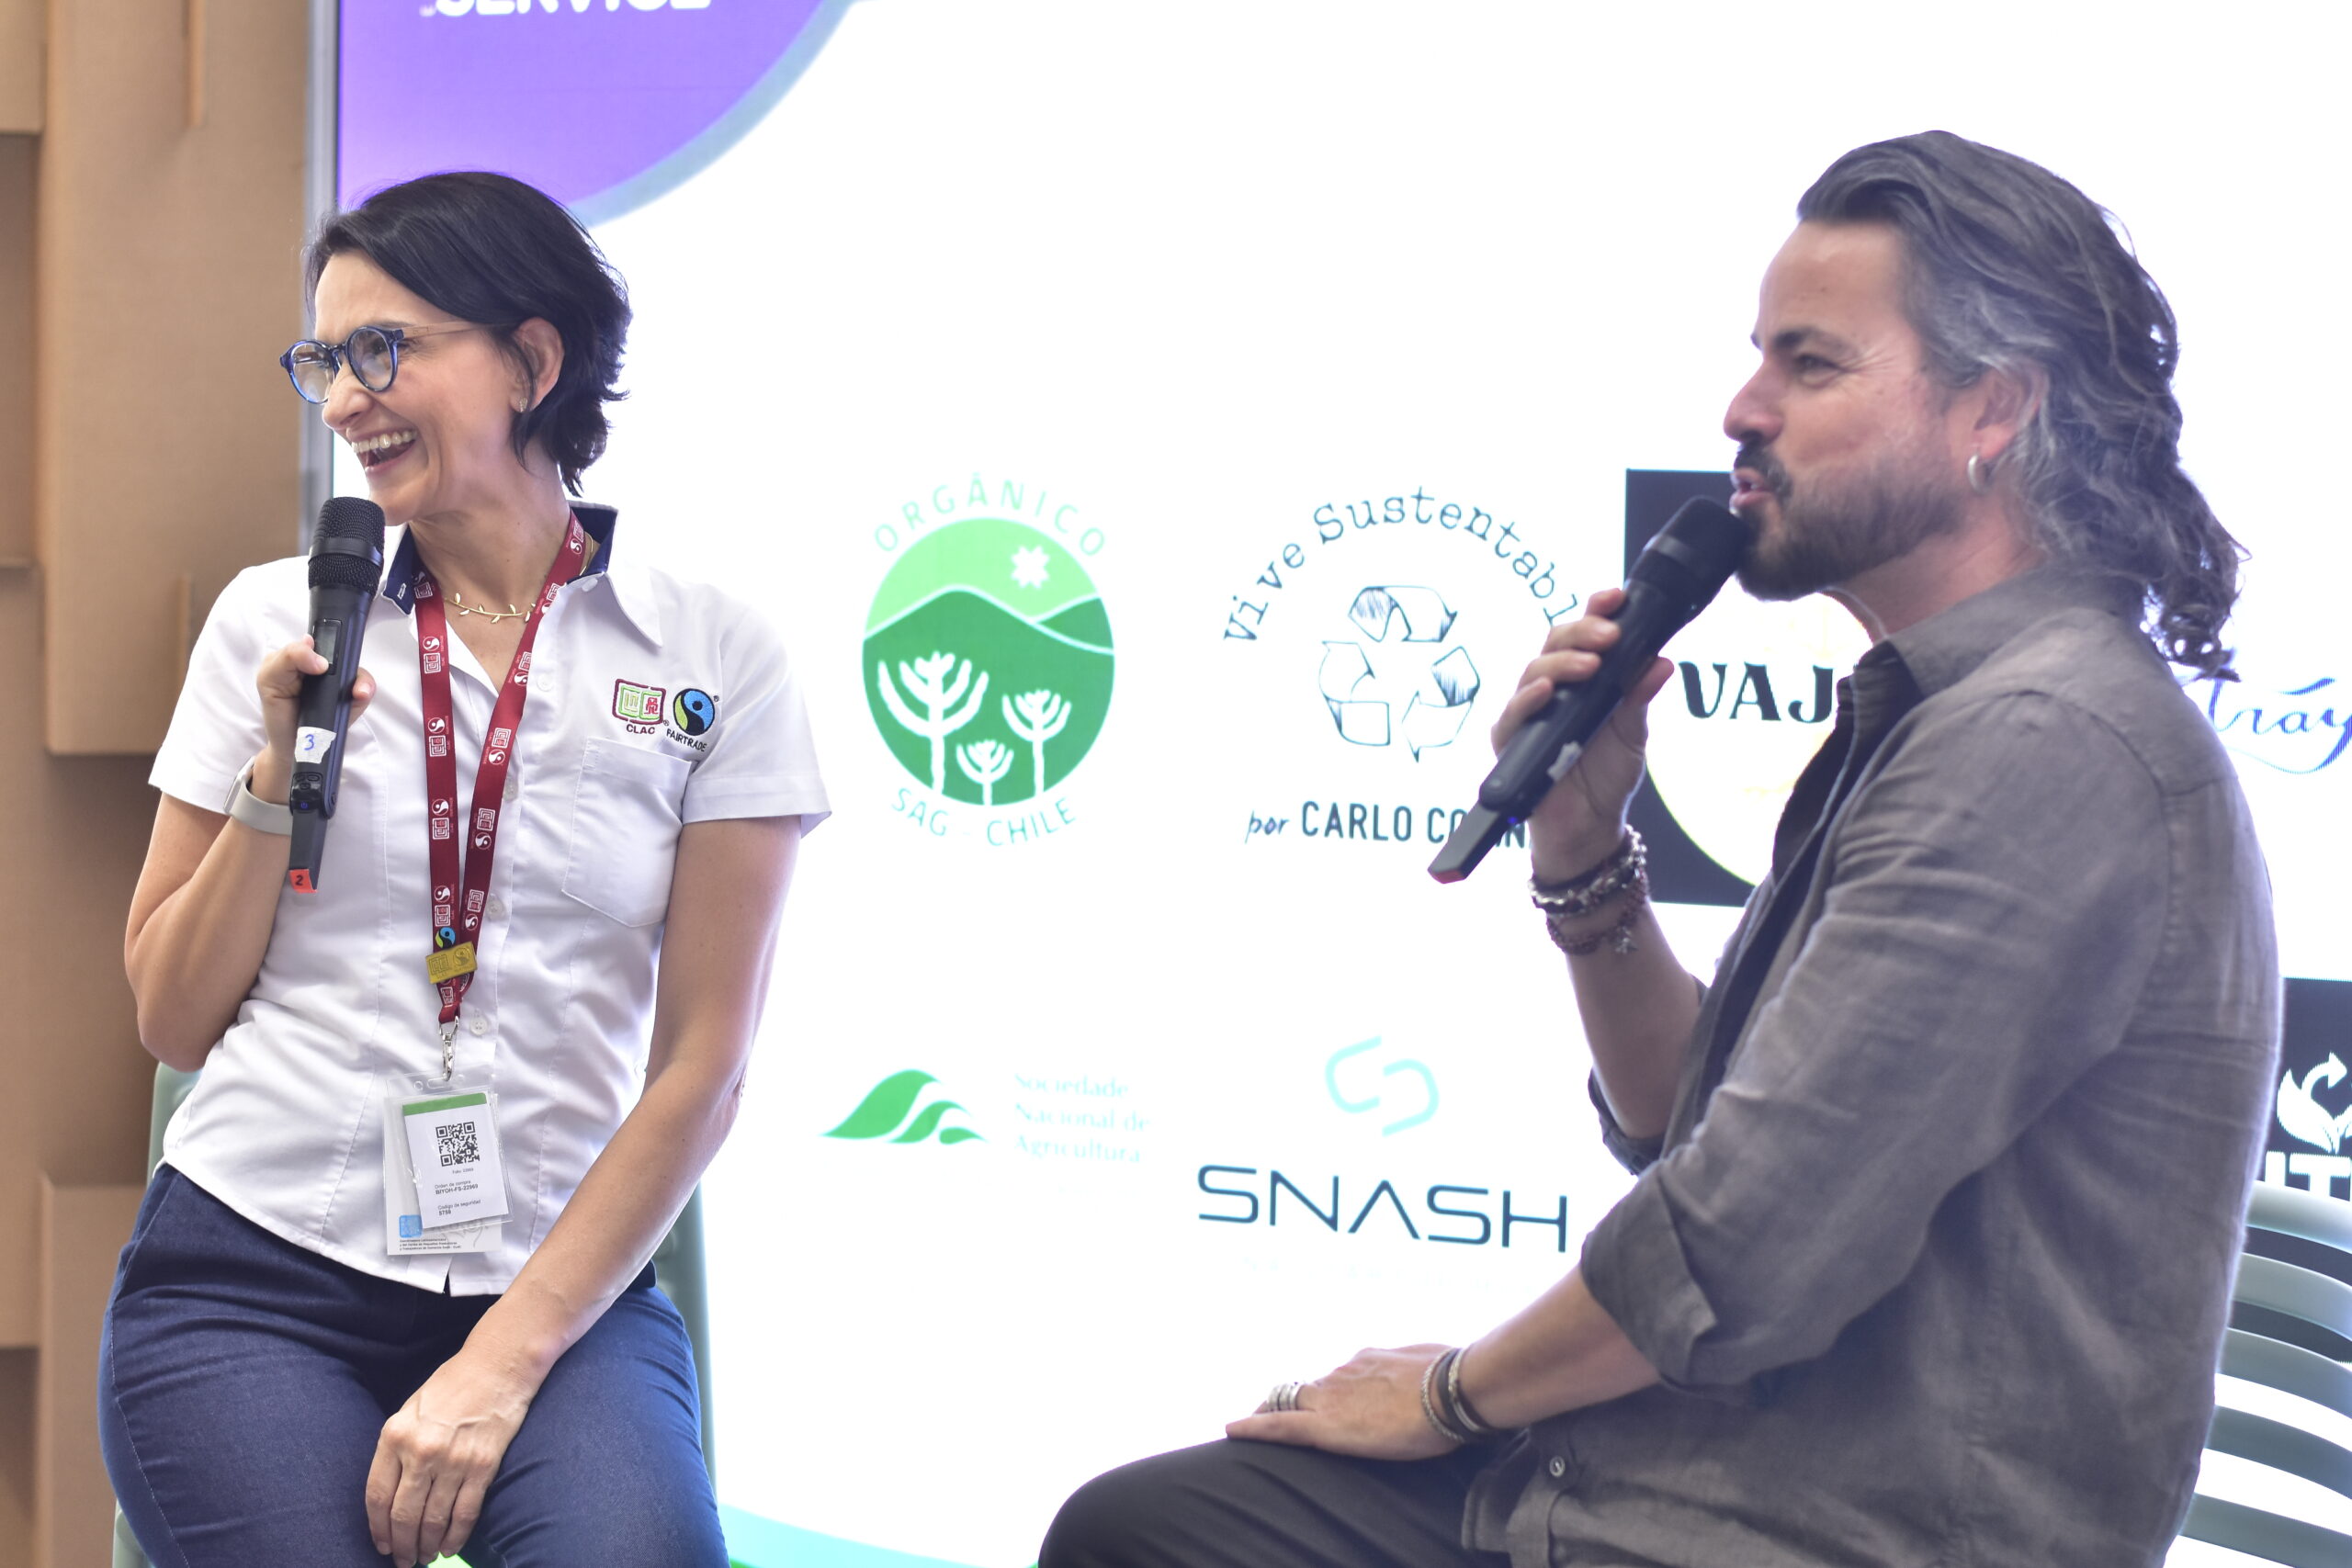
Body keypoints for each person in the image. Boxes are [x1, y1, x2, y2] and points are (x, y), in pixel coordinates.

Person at [1042, 131, 2278, 1568]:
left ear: (1992, 408)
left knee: (1154, 1536)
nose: (1743, 410)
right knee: (1156, 1520)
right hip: (1680, 1488)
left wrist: (1447, 1397)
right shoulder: (1943, 715)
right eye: (1760, 359)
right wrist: (1584, 853)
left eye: (1811, 366)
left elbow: (1740, 1250)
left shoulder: (2041, 744)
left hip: (1821, 1535)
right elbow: (1689, 1127)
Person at [103, 171, 828, 1568]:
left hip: (558, 1295)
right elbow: (172, 1018)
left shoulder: (711, 654)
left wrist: (501, 1364)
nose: (343, 401)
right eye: (323, 360)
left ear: (533, 362)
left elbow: (704, 1066)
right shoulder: (277, 618)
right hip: (252, 1275)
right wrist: (278, 776)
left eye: (384, 351)